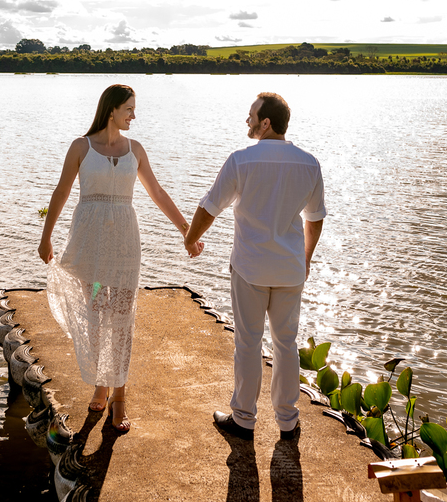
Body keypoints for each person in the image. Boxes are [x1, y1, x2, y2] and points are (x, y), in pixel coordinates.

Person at [39, 84, 189, 432]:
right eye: (129, 109)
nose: (134, 116)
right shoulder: (81, 147)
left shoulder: (135, 150)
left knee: (122, 320)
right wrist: (46, 236)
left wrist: (186, 230)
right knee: (95, 314)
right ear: (111, 111)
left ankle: (119, 398)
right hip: (89, 246)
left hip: (124, 245)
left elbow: (157, 192)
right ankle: (101, 383)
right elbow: (61, 191)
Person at [183, 92, 325, 441]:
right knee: (286, 343)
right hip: (290, 268)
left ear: (266, 122)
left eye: (251, 116)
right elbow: (316, 218)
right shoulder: (309, 164)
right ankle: (288, 421)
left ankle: (244, 419)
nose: (247, 121)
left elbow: (210, 206)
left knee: (248, 342)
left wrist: (190, 238)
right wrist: (305, 258)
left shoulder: (241, 161)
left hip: (250, 268)